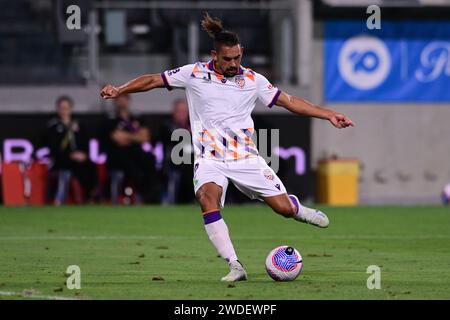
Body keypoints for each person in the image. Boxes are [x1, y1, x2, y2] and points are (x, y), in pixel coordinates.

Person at [100, 13, 354, 281]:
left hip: (245, 158)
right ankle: (235, 265)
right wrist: (120, 89)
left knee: (283, 209)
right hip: (210, 159)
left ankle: (298, 209)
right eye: (227, 59)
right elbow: (153, 80)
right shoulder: (194, 73)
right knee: (207, 200)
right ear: (215, 55)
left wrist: (328, 114)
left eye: (237, 58)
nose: (234, 64)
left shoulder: (253, 80)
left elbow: (289, 101)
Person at [103, 93, 158, 204]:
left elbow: (145, 137)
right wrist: (135, 136)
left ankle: (149, 197)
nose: (122, 102)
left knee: (150, 159)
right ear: (115, 101)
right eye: (119, 99)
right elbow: (117, 138)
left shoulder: (137, 118)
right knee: (130, 165)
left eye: (124, 99)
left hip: (136, 154)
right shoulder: (110, 119)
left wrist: (127, 136)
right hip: (117, 155)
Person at [45, 95, 97, 205]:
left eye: (67, 108)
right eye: (62, 108)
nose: (64, 111)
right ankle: (59, 198)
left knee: (90, 166)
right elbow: (53, 148)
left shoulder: (78, 125)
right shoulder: (53, 126)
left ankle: (90, 196)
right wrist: (70, 155)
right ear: (58, 109)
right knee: (69, 167)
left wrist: (83, 155)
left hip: (78, 159)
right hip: (62, 159)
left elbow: (85, 143)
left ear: (71, 108)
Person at [161, 99, 195, 204]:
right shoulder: (167, 127)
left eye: (184, 111)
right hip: (174, 165)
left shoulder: (195, 127)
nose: (181, 114)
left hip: (192, 167)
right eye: (178, 111)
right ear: (173, 112)